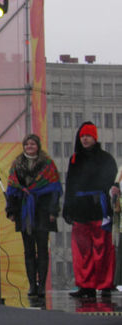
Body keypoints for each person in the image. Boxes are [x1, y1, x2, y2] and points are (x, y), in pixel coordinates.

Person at [62, 122, 118, 299]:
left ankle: (105, 285)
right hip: (80, 210)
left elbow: (113, 186)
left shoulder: (106, 159)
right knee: (82, 251)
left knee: (103, 249)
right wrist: (67, 209)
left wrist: (110, 209)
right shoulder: (75, 159)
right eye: (82, 136)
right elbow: (69, 185)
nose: (85, 139)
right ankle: (86, 286)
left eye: (88, 136)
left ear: (95, 137)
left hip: (99, 209)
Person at [5, 134, 62, 300]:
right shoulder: (17, 164)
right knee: (28, 250)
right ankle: (32, 285)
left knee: (42, 249)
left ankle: (42, 285)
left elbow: (54, 190)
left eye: (33, 144)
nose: (29, 146)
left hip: (43, 211)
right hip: (24, 211)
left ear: (38, 146)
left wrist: (53, 211)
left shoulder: (48, 164)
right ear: (23, 146)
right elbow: (12, 190)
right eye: (27, 144)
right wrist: (12, 211)